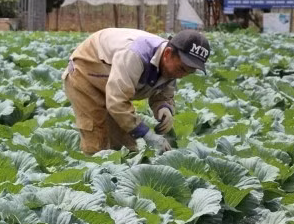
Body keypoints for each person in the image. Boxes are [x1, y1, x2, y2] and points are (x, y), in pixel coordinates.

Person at [62, 28, 210, 155]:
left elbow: (164, 95)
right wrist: (147, 134)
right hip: (86, 74)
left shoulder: (172, 68)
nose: (182, 75)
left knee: (127, 146)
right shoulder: (135, 55)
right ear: (167, 54)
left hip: (113, 83)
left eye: (189, 72)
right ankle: (91, 181)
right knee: (97, 139)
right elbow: (117, 102)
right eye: (182, 69)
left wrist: (165, 108)